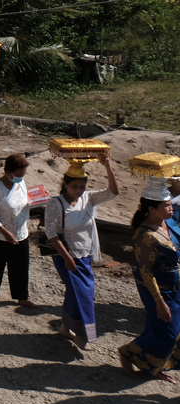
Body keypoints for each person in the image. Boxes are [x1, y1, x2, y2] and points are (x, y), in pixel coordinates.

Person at [47, 157, 120, 350]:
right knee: (83, 293)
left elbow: (113, 191)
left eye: (81, 187)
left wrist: (107, 165)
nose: (78, 191)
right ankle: (82, 334)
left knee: (76, 291)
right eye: (74, 187)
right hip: (66, 255)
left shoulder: (88, 198)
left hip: (85, 254)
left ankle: (65, 327)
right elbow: (51, 234)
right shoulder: (56, 204)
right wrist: (67, 257)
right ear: (65, 184)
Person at [119, 182, 180, 382]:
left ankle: (155, 366)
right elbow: (146, 272)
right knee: (168, 331)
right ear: (151, 209)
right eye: (166, 205)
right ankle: (128, 353)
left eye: (171, 204)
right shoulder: (145, 236)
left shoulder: (168, 224)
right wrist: (159, 301)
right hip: (158, 289)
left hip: (176, 285)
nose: (171, 208)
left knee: (171, 329)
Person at [0, 154, 38, 308]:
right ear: (9, 172)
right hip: (0, 234)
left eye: (23, 174)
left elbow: (25, 199)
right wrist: (5, 232)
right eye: (19, 175)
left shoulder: (20, 183)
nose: (21, 177)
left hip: (21, 231)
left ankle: (22, 296)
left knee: (21, 264)